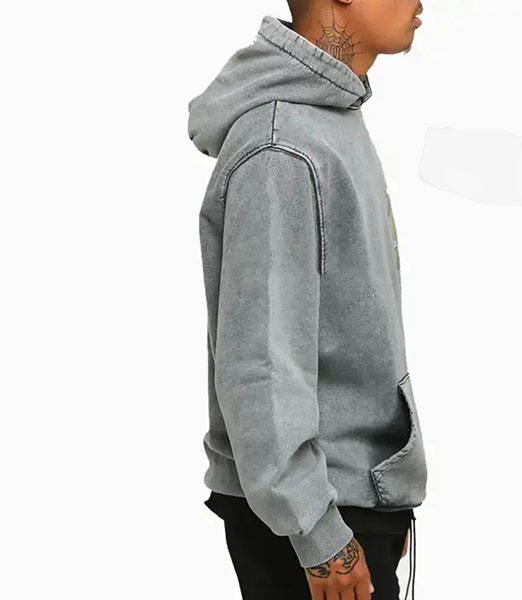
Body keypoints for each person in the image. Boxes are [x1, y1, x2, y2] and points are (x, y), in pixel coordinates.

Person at [187, 2, 427, 598]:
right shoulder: (282, 146)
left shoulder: (327, 120)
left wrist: (381, 497)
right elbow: (262, 363)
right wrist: (319, 535)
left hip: (343, 501)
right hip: (311, 520)